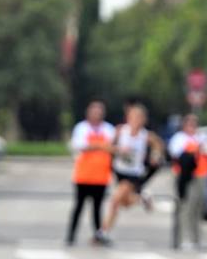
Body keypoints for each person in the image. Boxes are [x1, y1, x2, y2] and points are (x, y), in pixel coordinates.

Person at [98, 103, 156, 244]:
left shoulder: (146, 135)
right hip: (120, 170)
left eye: (139, 117)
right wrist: (118, 149)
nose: (136, 120)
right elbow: (105, 146)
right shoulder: (120, 131)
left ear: (143, 120)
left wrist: (155, 155)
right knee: (124, 203)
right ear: (128, 118)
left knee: (115, 200)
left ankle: (104, 231)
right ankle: (141, 199)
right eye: (133, 117)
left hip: (134, 173)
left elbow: (158, 145)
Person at [66, 100, 115, 246]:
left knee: (97, 209)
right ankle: (71, 235)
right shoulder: (81, 128)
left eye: (99, 111)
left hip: (101, 176)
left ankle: (98, 236)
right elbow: (79, 146)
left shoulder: (108, 129)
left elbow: (113, 147)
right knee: (79, 207)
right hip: (83, 175)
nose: (96, 114)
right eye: (94, 111)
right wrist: (100, 146)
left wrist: (96, 146)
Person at [168, 113, 207, 250]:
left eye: (194, 123)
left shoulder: (202, 138)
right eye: (189, 123)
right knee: (185, 207)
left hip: (201, 175)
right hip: (185, 177)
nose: (192, 126)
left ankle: (197, 237)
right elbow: (176, 155)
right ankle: (183, 239)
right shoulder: (179, 138)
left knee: (198, 208)